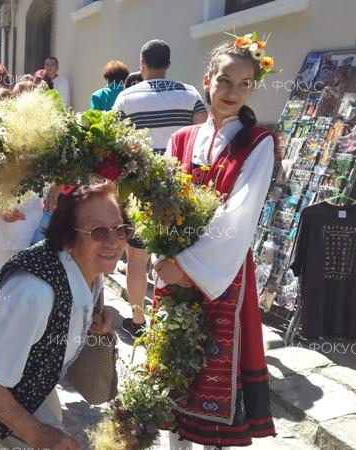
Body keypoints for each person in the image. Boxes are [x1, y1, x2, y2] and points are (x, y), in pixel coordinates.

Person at [0, 183, 127, 449]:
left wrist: (91, 322)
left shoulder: (88, 267)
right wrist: (40, 436)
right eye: (98, 231)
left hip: (22, 362)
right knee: (38, 436)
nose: (114, 241)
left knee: (30, 430)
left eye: (121, 229)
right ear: (69, 237)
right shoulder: (34, 293)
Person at [153, 38, 277, 448]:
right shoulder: (181, 140)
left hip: (222, 277)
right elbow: (158, 207)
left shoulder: (259, 144)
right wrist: (165, 258)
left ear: (252, 90)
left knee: (213, 370)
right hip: (175, 270)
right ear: (207, 81)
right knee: (172, 365)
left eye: (243, 84)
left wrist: (187, 266)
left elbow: (238, 217)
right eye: (224, 80)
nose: (231, 91)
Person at [112, 39, 208, 339]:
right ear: (168, 64)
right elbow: (203, 138)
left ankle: (139, 322)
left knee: (137, 260)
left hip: (139, 190)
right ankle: (175, 321)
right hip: (178, 188)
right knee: (177, 256)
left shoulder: (126, 98)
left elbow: (114, 146)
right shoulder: (190, 94)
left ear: (142, 64)